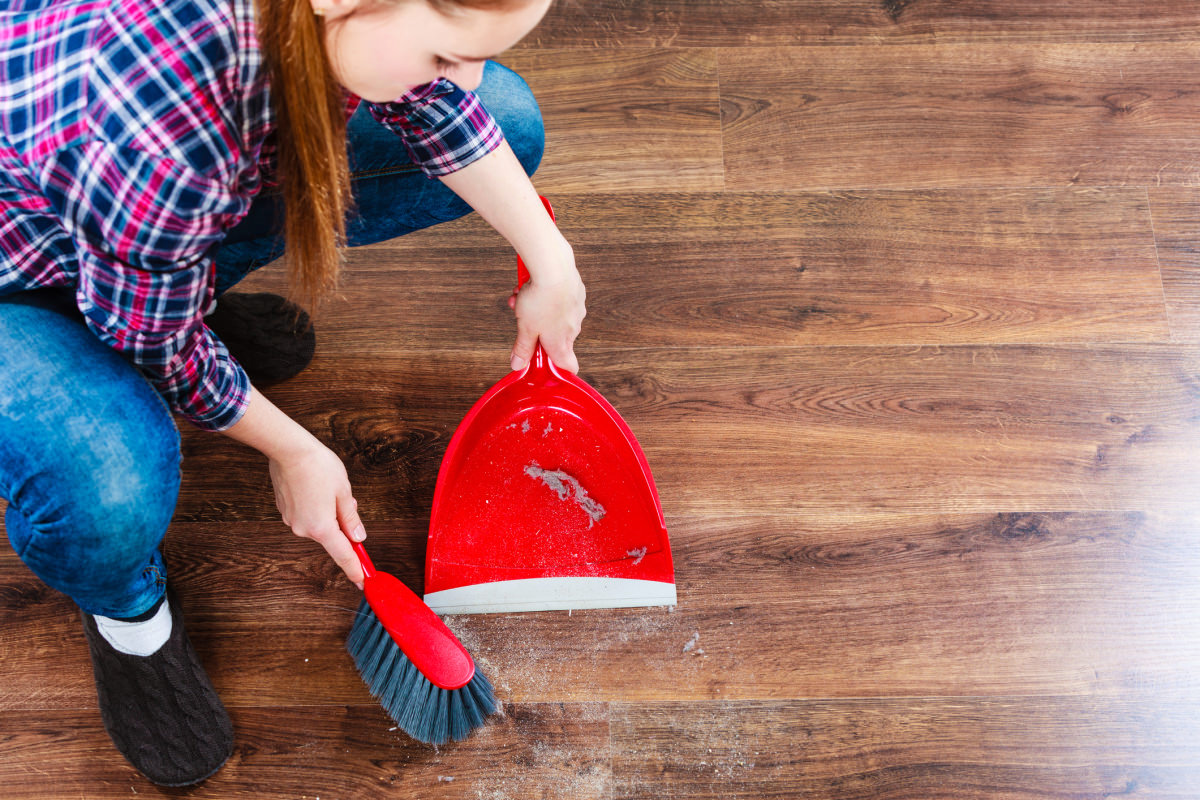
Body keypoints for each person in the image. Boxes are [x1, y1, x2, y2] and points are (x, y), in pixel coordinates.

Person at [0, 0, 585, 786]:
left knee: (507, 120)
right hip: (23, 265)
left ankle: (180, 286)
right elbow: (150, 338)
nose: (463, 80)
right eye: (446, 58)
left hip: (128, 224)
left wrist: (552, 261)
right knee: (107, 480)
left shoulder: (321, 23)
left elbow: (435, 105)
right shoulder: (157, 117)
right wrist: (294, 450)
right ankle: (128, 617)